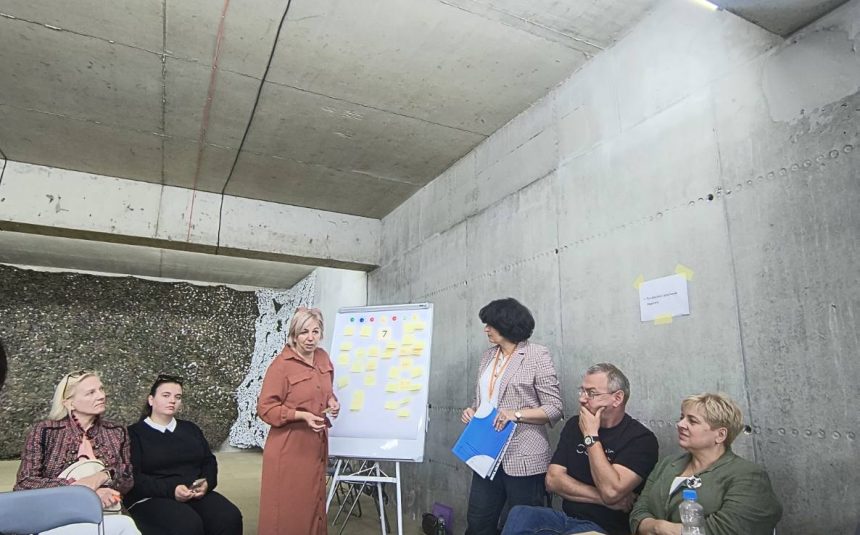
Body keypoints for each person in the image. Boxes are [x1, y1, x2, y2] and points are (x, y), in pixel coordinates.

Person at [503, 363, 659, 535]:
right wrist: (602, 500)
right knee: (520, 514)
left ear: (617, 398)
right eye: (582, 391)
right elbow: (553, 480)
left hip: (606, 527)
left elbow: (611, 491)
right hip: (567, 519)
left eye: (591, 393)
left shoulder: (640, 439)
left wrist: (591, 435)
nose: (582, 399)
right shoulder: (574, 425)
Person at [461, 298, 564, 535]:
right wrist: (472, 411)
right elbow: (486, 400)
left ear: (506, 324)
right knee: (478, 522)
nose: (486, 329)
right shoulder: (487, 357)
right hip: (486, 454)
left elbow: (554, 408)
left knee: (524, 526)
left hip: (523, 457)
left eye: (490, 324)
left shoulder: (536, 355)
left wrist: (515, 414)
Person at [630, 393, 782, 535]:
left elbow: (727, 529)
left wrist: (665, 528)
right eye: (682, 417)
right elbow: (639, 511)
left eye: (692, 421)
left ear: (720, 435)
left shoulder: (748, 476)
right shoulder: (668, 463)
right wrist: (656, 526)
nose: (680, 424)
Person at [14, 370, 141, 535]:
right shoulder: (46, 430)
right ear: (69, 403)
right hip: (55, 516)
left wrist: (102, 476)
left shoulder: (116, 431)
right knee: (125, 526)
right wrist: (83, 493)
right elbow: (25, 483)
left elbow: (127, 478)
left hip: (107, 513)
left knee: (124, 524)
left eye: (101, 389)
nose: (101, 396)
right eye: (91, 392)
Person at [256, 307, 340, 535]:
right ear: (294, 334)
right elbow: (265, 408)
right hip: (289, 449)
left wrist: (332, 401)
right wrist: (301, 415)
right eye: (304, 332)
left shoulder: (322, 357)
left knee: (314, 504)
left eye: (315, 331)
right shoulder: (280, 366)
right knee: (289, 511)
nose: (310, 338)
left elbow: (324, 390)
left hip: (316, 446)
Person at [124, 374, 243, 535]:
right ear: (151, 400)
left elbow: (208, 461)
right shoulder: (133, 434)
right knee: (187, 525)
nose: (172, 400)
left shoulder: (190, 429)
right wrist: (171, 490)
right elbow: (134, 477)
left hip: (192, 493)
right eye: (166, 395)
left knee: (229, 517)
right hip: (151, 496)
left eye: (177, 397)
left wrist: (207, 483)